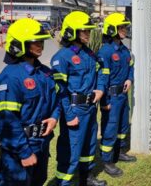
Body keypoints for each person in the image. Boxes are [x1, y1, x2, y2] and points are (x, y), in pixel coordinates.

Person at [0, 18, 59, 186]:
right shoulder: (10, 78)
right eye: (35, 42)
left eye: (41, 41)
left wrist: (54, 117)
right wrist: (24, 152)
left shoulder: (44, 73)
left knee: (38, 181)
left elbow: (56, 99)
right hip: (19, 151)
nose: (40, 45)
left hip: (41, 145)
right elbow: (6, 121)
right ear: (19, 45)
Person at [51, 11, 106, 186]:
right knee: (71, 151)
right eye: (84, 31)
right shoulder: (62, 57)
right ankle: (63, 183)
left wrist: (100, 88)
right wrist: (68, 115)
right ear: (71, 32)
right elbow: (60, 91)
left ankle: (87, 178)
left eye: (88, 30)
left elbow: (101, 70)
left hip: (90, 108)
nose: (88, 34)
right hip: (75, 111)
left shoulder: (89, 53)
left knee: (89, 146)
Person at [97, 13, 137, 178]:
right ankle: (107, 161)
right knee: (110, 128)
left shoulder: (124, 49)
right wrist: (104, 101)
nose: (124, 30)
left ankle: (119, 152)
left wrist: (129, 78)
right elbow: (102, 79)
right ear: (112, 29)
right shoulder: (105, 52)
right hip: (111, 98)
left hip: (123, 96)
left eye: (124, 27)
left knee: (122, 126)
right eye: (121, 27)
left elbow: (131, 67)